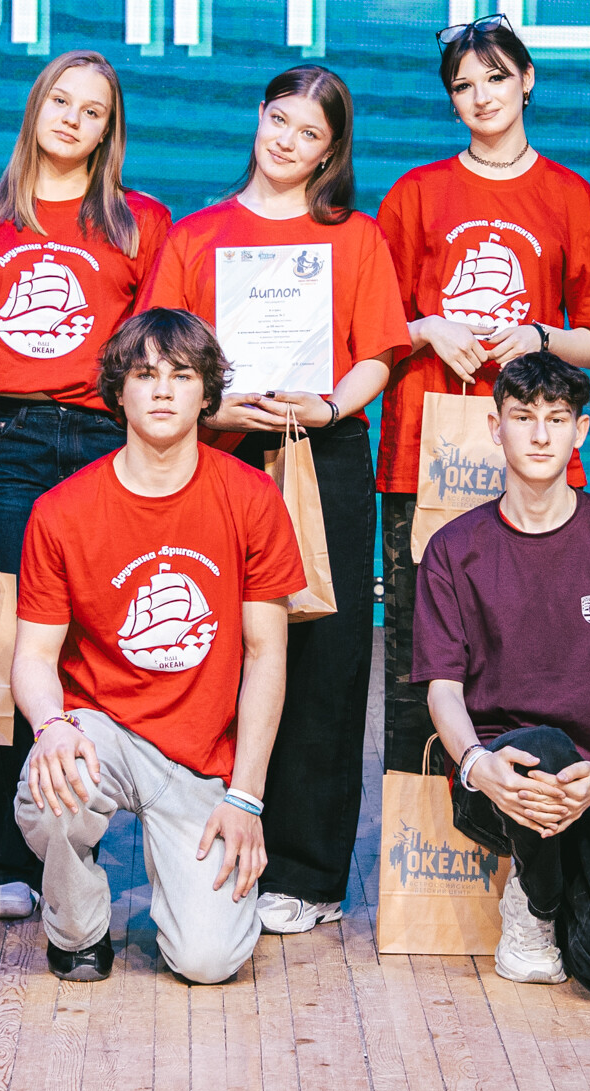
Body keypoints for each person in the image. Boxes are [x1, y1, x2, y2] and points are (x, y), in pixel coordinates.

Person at [138, 64, 408, 936]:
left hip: (321, 451)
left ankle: (308, 872)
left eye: (310, 134)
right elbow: (153, 354)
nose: (288, 142)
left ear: (331, 154)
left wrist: (330, 405)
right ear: (258, 117)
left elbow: (378, 353)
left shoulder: (356, 238)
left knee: (325, 658)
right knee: (215, 648)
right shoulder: (197, 235)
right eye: (280, 120)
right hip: (215, 450)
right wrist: (211, 410)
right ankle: (206, 844)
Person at [0, 50, 172, 924]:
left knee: (102, 648)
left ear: (109, 130)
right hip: (12, 443)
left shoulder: (142, 223)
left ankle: (83, 850)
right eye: (61, 101)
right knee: (12, 653)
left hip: (111, 441)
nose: (73, 119)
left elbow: (154, 360)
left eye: (93, 110)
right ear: (36, 108)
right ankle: (2, 857)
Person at [11, 309, 304, 984]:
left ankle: (185, 887)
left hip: (200, 756)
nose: (164, 390)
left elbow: (266, 655)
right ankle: (78, 932)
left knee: (209, 962)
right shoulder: (62, 510)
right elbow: (32, 656)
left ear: (208, 394)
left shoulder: (251, 497)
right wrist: (51, 726)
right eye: (145, 375)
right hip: (101, 733)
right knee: (51, 787)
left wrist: (247, 797)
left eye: (183, 375)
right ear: (119, 392)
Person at [416, 352, 590, 1003]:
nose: (540, 435)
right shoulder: (453, 549)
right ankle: (535, 910)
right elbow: (442, 689)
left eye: (557, 418)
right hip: (502, 781)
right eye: (523, 417)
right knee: (539, 746)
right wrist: (477, 764)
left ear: (581, 430)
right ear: (495, 428)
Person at [377, 15, 590, 774]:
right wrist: (426, 328)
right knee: (420, 654)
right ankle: (418, 838)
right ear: (450, 100)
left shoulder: (571, 197)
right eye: (463, 85)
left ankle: (535, 818)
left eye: (496, 77)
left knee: (534, 650)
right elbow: (372, 327)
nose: (482, 96)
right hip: (425, 452)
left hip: (531, 454)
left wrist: (539, 335)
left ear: (528, 80)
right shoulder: (415, 194)